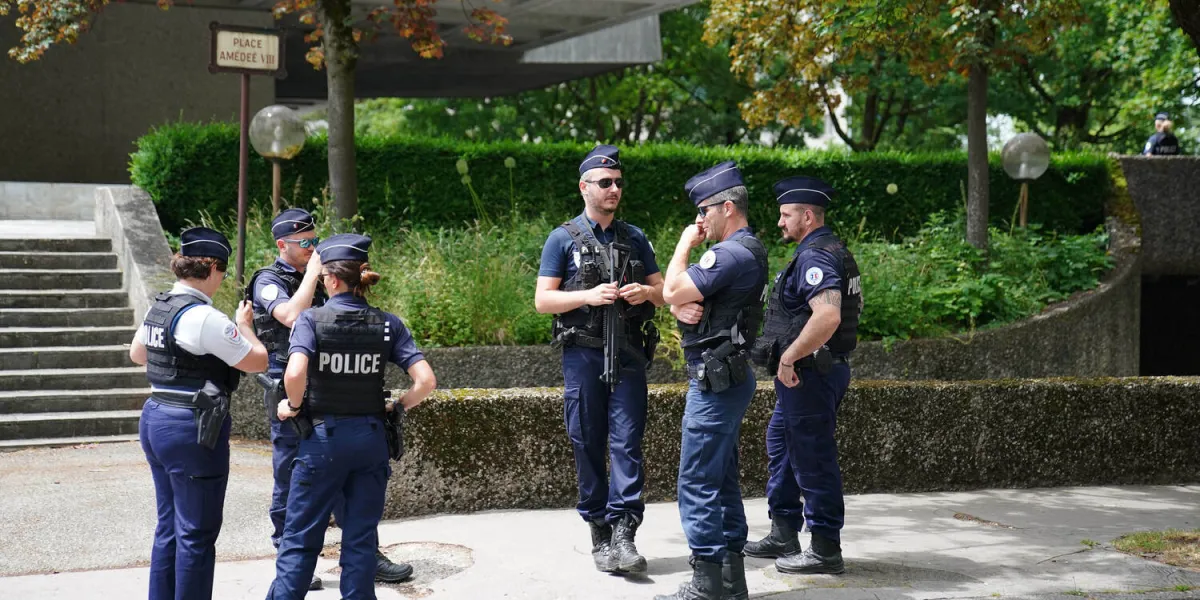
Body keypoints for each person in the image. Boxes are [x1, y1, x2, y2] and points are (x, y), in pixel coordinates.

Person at [266, 233, 437, 600]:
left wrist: (292, 407)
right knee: (360, 541)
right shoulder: (389, 324)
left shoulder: (311, 320)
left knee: (300, 539)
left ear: (330, 279)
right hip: (371, 440)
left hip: (323, 441)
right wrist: (399, 406)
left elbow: (294, 374)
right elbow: (426, 381)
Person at [534, 144, 665, 575]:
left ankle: (625, 531)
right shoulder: (562, 238)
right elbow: (543, 300)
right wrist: (587, 296)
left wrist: (646, 293)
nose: (614, 189)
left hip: (627, 354)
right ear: (584, 187)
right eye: (605, 183)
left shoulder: (635, 237)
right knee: (586, 440)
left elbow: (664, 293)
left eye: (619, 183)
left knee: (627, 442)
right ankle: (599, 530)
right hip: (583, 355)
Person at [128, 226, 269, 600]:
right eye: (222, 271)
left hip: (156, 415)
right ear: (210, 267)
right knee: (197, 533)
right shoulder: (205, 318)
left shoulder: (159, 307)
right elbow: (257, 361)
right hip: (191, 425)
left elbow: (137, 355)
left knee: (169, 527)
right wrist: (244, 328)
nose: (222, 280)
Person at [657, 161, 768, 600]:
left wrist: (685, 243)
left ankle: (706, 586)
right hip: (730, 376)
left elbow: (670, 289)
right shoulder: (750, 250)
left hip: (715, 381)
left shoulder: (730, 254)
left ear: (727, 206)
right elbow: (683, 301)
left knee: (697, 481)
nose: (700, 220)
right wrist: (676, 305)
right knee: (721, 479)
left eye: (704, 211)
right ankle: (730, 583)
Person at [745, 176, 863, 576]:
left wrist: (789, 358)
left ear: (807, 216)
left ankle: (826, 548)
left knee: (813, 459)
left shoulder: (815, 257)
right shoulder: (830, 249)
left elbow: (827, 315)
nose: (780, 222)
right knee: (781, 443)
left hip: (809, 373)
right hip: (813, 374)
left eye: (785, 215)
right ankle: (784, 531)